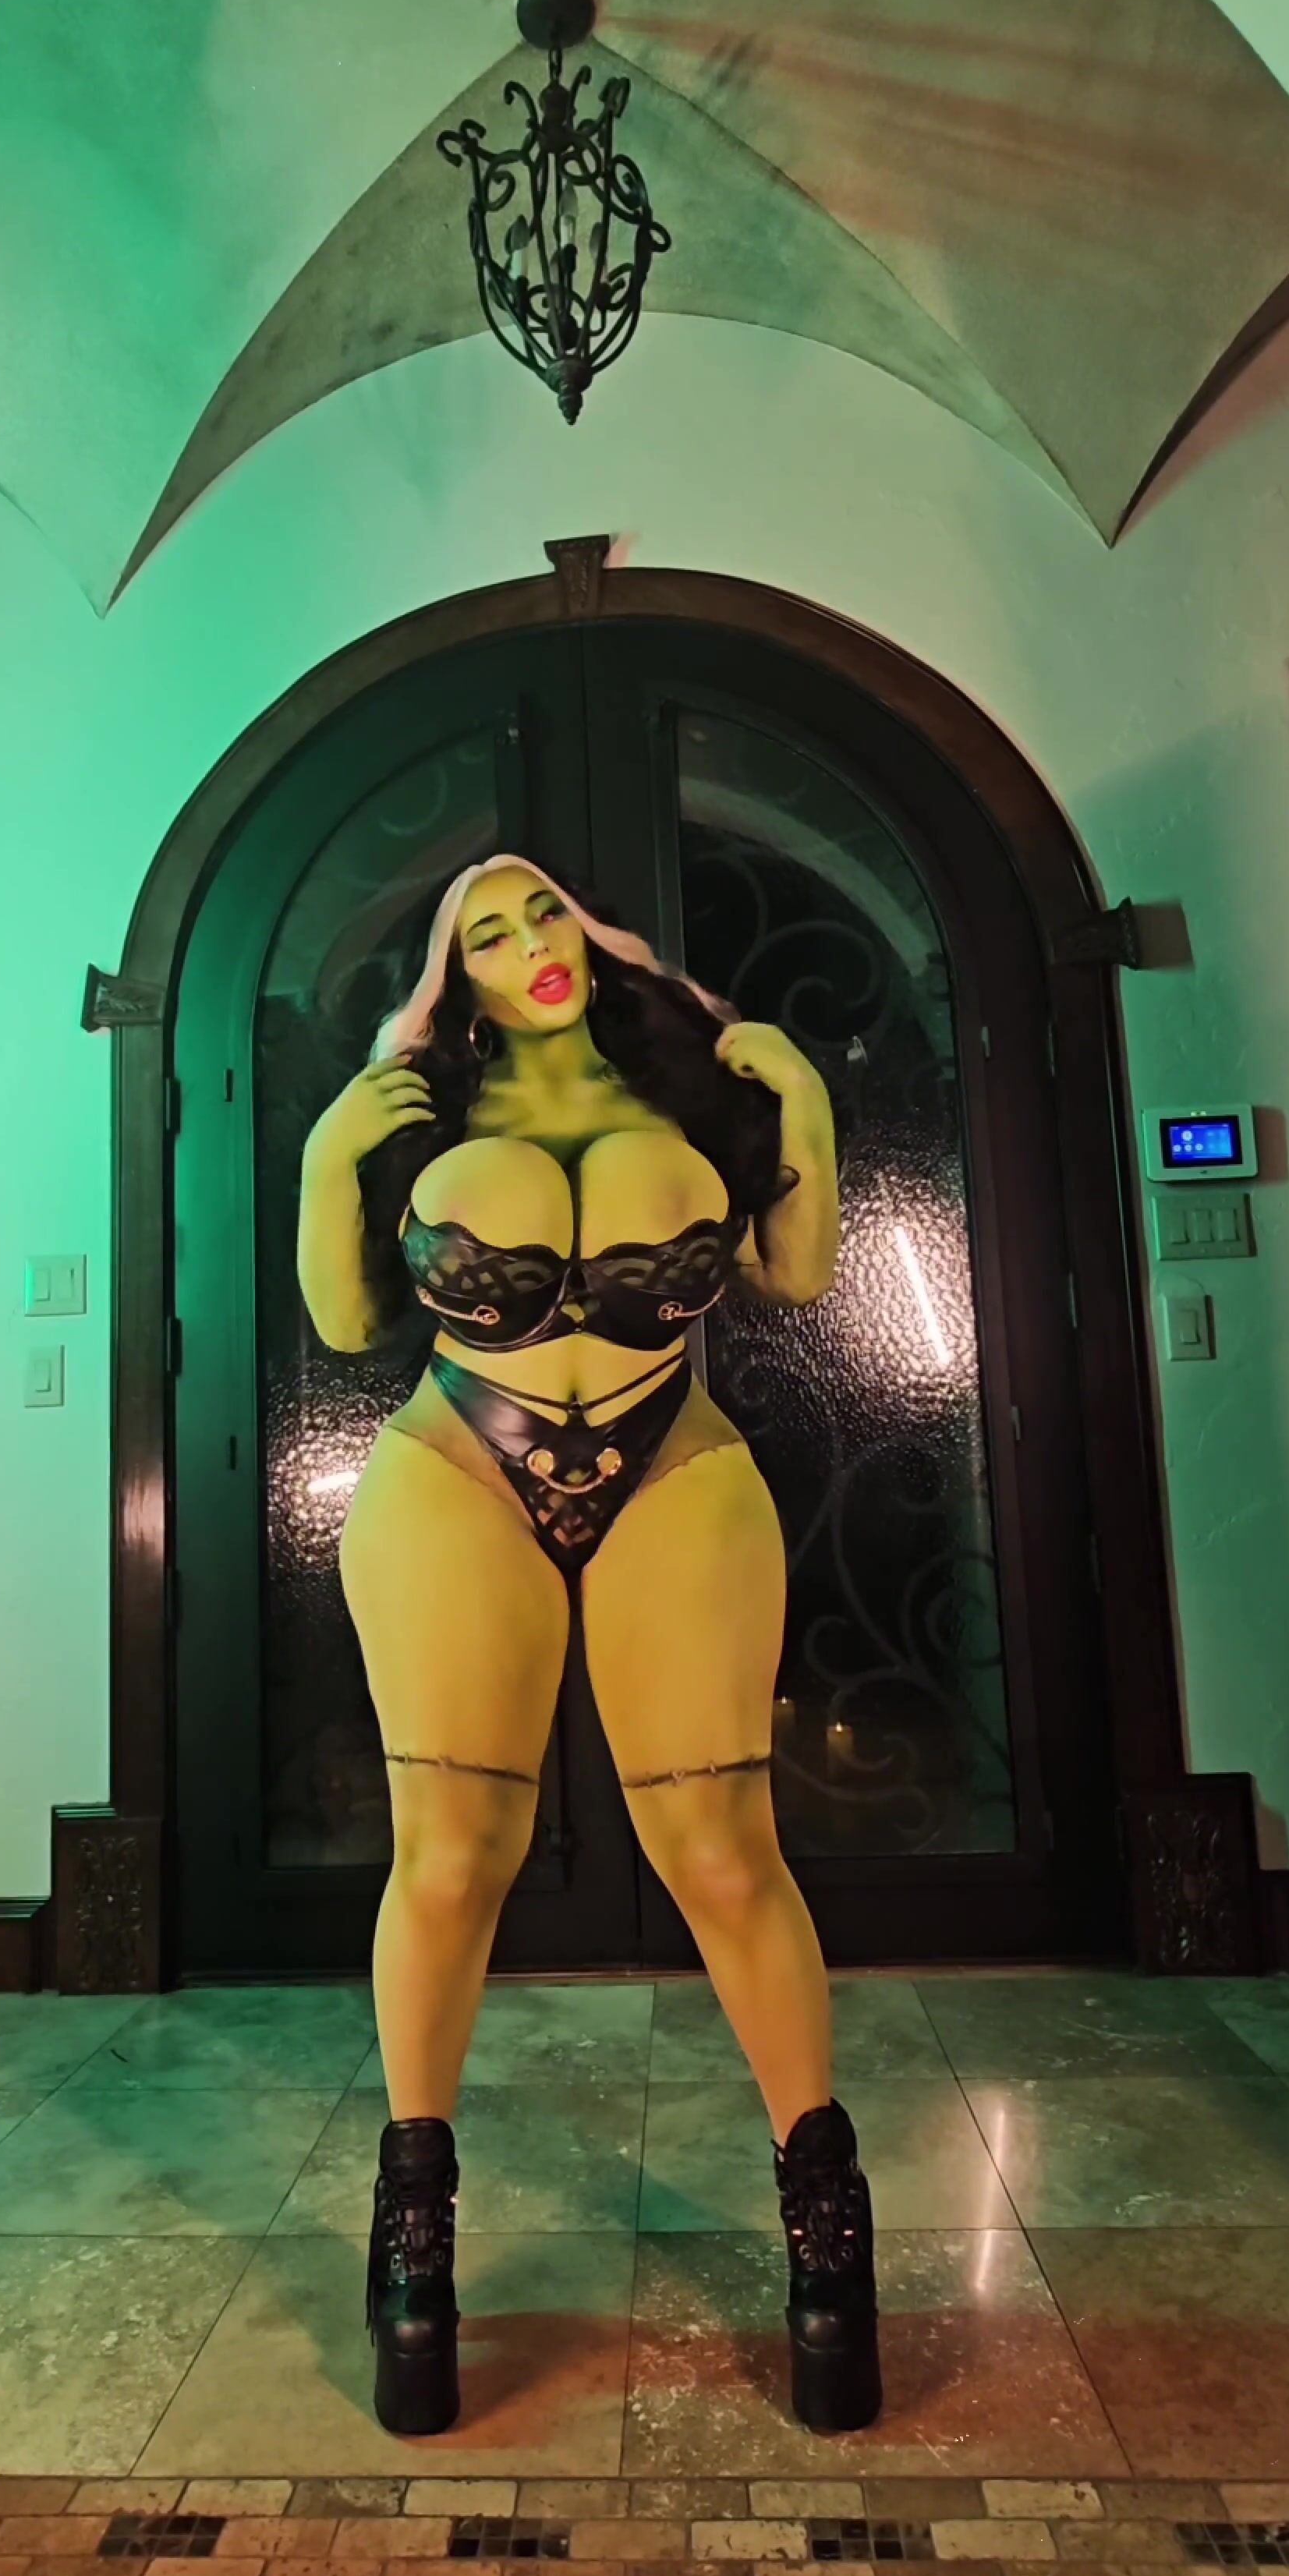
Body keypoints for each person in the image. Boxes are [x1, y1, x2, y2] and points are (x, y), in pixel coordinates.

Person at [296, 855, 881, 2438]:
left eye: (541, 912)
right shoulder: (418, 1110)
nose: (528, 946)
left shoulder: (693, 1085)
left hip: (671, 1461)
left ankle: (830, 2237)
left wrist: (804, 1104)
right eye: (486, 934)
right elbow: (347, 1322)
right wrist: (327, 1155)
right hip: (454, 1468)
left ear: (580, 926)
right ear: (461, 977)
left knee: (728, 1855)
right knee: (450, 1860)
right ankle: (415, 2243)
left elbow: (797, 1273)